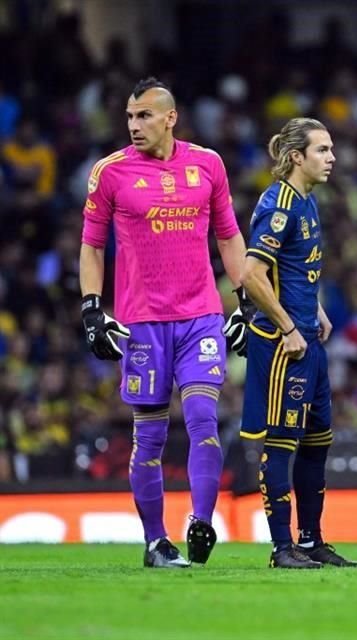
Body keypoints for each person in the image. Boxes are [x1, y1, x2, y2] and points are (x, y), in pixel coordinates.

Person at [79, 77, 248, 568]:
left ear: (170, 117)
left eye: (145, 116)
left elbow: (229, 237)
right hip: (142, 322)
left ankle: (201, 521)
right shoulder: (109, 173)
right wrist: (93, 308)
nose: (134, 125)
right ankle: (155, 542)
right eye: (130, 117)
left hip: (201, 316)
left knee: (202, 419)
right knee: (149, 437)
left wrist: (246, 301)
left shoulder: (208, 164)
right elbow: (91, 247)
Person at [238, 117, 357, 569]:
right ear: (297, 157)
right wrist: (289, 327)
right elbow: (251, 274)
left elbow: (293, 269)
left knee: (316, 442)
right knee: (281, 444)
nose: (332, 158)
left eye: (331, 149)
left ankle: (311, 542)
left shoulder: (308, 202)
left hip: (309, 338)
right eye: (323, 150)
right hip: (283, 345)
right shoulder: (280, 205)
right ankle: (281, 548)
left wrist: (316, 312)